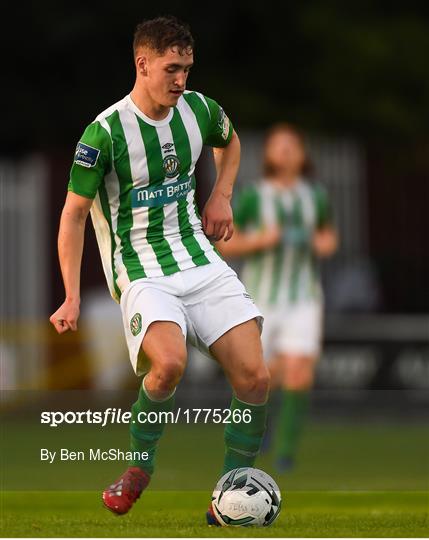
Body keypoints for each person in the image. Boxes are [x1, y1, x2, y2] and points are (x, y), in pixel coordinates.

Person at [49, 16, 269, 523]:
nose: (180, 80)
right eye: (171, 69)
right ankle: (138, 469)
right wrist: (71, 294)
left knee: (256, 378)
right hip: (141, 270)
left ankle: (229, 498)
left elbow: (230, 142)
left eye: (187, 69)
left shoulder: (197, 110)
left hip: (198, 258)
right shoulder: (103, 133)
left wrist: (221, 195)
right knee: (168, 364)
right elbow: (73, 214)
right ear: (142, 63)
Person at [217, 123, 338, 471]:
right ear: (269, 154)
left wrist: (320, 243)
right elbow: (225, 244)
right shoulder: (255, 196)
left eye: (292, 145)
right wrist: (259, 241)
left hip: (304, 297)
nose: (285, 151)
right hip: (261, 297)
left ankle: (285, 453)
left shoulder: (314, 196)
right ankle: (261, 428)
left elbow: (328, 239)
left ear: (302, 154)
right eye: (278, 145)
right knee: (259, 375)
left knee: (300, 372)